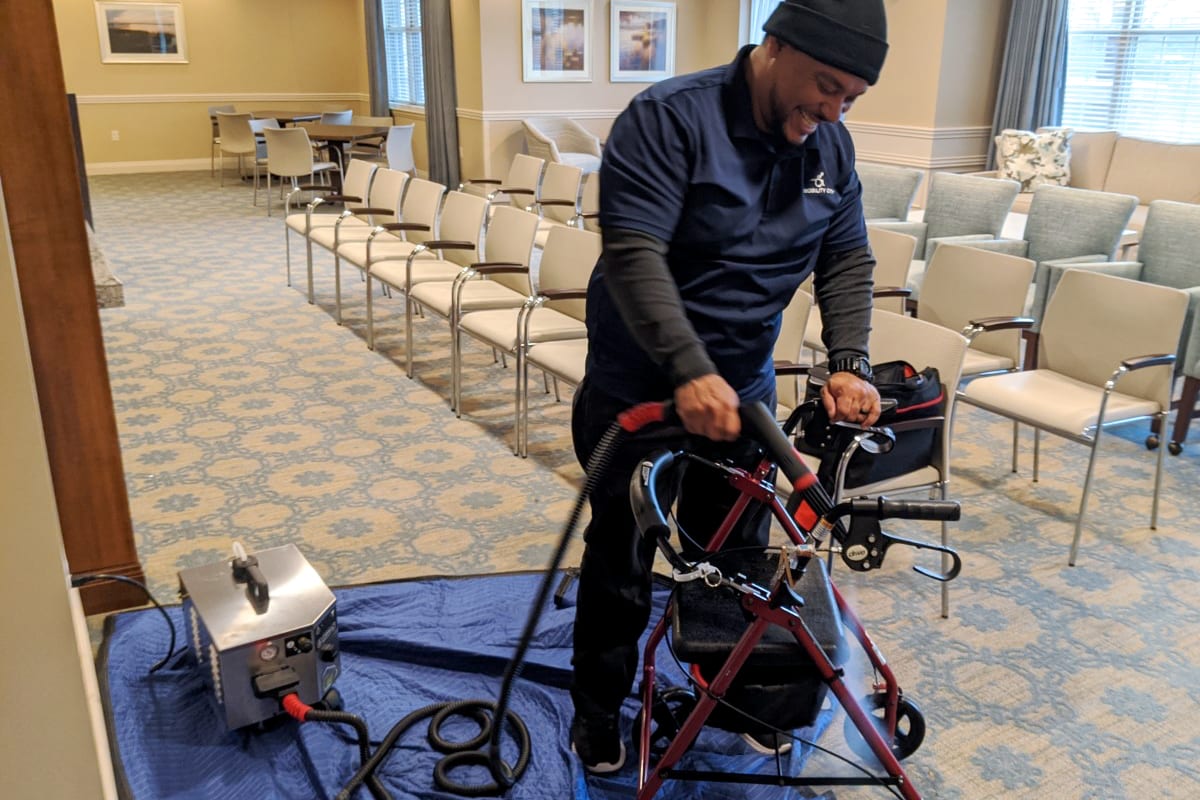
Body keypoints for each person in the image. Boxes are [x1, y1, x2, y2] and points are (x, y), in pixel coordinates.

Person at [568, 0, 891, 775]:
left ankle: (735, 693)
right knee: (622, 555)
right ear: (773, 47)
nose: (834, 110)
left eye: (852, 98)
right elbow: (634, 255)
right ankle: (599, 713)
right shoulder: (668, 120)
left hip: (741, 395)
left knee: (738, 557)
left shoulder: (831, 148)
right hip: (639, 388)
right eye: (825, 86)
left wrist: (849, 358)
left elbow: (845, 258)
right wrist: (688, 368)